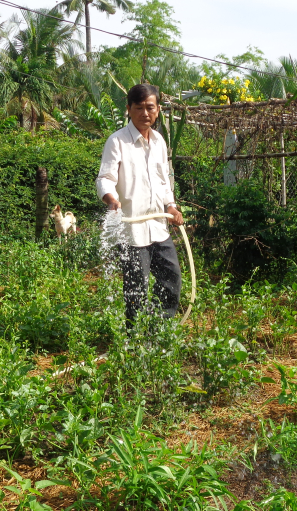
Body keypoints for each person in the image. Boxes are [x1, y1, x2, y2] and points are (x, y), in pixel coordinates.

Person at [96, 83, 184, 329]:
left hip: (158, 226)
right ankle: (134, 337)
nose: (145, 113)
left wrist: (172, 207)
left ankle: (160, 328)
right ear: (129, 109)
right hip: (132, 231)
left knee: (171, 277)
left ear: (158, 111)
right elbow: (105, 179)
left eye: (150, 107)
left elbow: (163, 180)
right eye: (139, 108)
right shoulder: (117, 142)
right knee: (136, 286)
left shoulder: (159, 141)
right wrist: (112, 200)